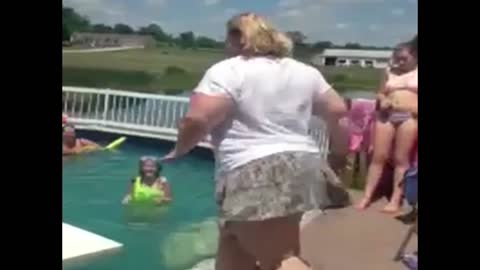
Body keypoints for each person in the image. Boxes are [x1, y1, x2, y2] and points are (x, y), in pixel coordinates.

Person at [161, 12, 348, 270]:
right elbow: (337, 110)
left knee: (281, 258)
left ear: (239, 38)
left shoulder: (229, 70)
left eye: (227, 39)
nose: (225, 46)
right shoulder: (305, 72)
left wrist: (180, 149)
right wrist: (339, 152)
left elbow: (196, 120)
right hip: (304, 165)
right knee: (232, 241)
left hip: (258, 172)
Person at [356, 38, 418, 213]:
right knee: (378, 157)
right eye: (397, 57)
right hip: (386, 116)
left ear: (414, 57)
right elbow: (381, 92)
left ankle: (395, 199)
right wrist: (382, 100)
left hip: (409, 117)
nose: (399, 61)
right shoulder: (389, 71)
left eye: (404, 58)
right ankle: (367, 196)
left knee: (401, 159)